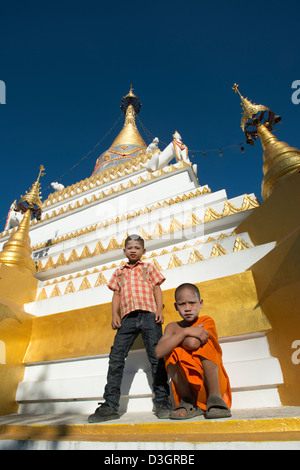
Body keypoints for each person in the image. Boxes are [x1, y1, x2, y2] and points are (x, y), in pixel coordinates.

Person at [88, 234, 171, 423]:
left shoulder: (148, 267)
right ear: (124, 251)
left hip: (149, 314)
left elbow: (157, 289)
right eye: (129, 247)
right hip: (127, 318)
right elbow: (116, 294)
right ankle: (110, 404)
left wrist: (159, 309)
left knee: (156, 357)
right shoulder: (119, 272)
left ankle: (162, 401)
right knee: (116, 358)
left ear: (143, 251)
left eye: (137, 247)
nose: (133, 250)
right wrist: (114, 314)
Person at [155, 283, 232, 420]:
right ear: (175, 306)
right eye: (182, 304)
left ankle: (215, 397)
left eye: (192, 303)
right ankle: (188, 400)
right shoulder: (172, 326)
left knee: (201, 344)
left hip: (210, 386)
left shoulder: (206, 321)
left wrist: (176, 338)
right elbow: (159, 351)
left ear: (200, 303)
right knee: (170, 352)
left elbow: (194, 343)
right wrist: (186, 331)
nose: (188, 309)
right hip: (189, 391)